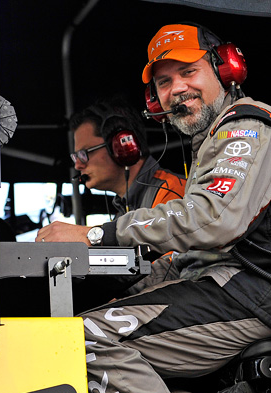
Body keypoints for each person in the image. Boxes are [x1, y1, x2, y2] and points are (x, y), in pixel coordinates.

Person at [36, 23, 271, 393]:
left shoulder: (247, 127)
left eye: (188, 71)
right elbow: (191, 257)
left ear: (225, 70)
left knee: (82, 338)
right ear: (154, 100)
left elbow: (213, 218)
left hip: (267, 294)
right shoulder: (211, 142)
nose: (176, 88)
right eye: (163, 82)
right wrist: (124, 285)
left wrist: (95, 235)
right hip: (239, 290)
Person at [68, 97, 187, 298]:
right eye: (76, 157)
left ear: (121, 146)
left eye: (83, 153)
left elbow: (169, 275)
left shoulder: (172, 192)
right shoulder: (124, 209)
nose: (78, 165)